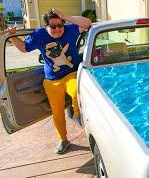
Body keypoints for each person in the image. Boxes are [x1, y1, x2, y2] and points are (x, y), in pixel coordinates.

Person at [5, 8, 91, 154]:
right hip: (52, 80)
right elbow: (24, 48)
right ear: (46, 26)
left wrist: (65, 16)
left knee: (77, 91)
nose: (57, 29)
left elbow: (87, 23)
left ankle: (76, 114)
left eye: (60, 25)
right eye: (53, 26)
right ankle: (63, 140)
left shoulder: (70, 29)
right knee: (56, 112)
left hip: (72, 73)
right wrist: (13, 36)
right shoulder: (40, 34)